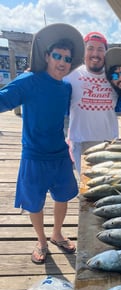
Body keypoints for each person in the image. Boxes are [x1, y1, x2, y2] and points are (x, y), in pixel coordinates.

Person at [0, 23, 85, 264]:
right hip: (34, 155)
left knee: (63, 197)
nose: (62, 62)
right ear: (47, 56)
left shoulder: (67, 86)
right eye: (57, 56)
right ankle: (41, 240)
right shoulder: (29, 80)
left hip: (59, 154)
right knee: (33, 202)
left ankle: (57, 233)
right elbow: (3, 100)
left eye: (67, 59)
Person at [64, 32, 118, 174]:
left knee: (109, 187)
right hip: (81, 144)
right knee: (88, 188)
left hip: (110, 145)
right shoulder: (70, 75)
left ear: (106, 53)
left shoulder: (115, 77)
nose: (95, 53)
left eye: (100, 49)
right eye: (90, 48)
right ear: (83, 52)